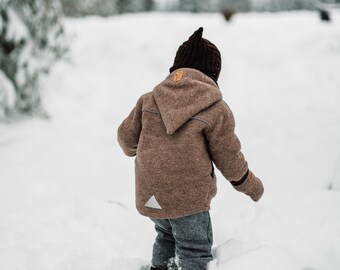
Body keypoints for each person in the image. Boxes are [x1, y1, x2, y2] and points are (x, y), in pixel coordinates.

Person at [117, 27, 264, 270]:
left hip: (152, 196)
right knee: (194, 249)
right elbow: (229, 157)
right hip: (189, 200)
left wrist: (138, 148)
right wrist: (250, 184)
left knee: (165, 236)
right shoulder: (216, 109)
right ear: (212, 74)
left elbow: (125, 139)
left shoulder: (148, 100)